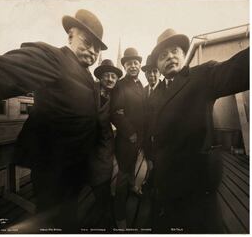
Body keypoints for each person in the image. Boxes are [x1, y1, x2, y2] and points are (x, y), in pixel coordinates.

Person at [0, 9, 108, 233]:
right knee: (52, 222)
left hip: (77, 168)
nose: (93, 51)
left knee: (69, 217)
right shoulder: (53, 58)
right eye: (88, 42)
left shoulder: (89, 77)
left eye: (98, 47)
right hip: (53, 170)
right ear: (70, 36)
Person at [147, 28, 249, 233]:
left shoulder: (203, 76)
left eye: (174, 51)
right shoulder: (155, 94)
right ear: (157, 65)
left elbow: (239, 68)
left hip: (196, 186)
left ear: (183, 55)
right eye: (163, 55)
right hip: (165, 184)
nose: (170, 58)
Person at [110, 47, 145, 229]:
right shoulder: (120, 85)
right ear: (124, 66)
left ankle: (133, 186)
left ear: (139, 64)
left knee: (131, 168)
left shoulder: (139, 84)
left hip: (138, 137)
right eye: (129, 63)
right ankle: (120, 215)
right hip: (126, 139)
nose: (133, 66)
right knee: (122, 176)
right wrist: (130, 132)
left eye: (135, 62)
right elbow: (116, 113)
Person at [86, 59, 122, 228]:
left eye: (113, 76)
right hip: (88, 143)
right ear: (100, 77)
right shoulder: (89, 90)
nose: (110, 79)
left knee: (104, 179)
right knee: (96, 180)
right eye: (106, 75)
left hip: (105, 144)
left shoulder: (114, 95)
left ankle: (107, 216)